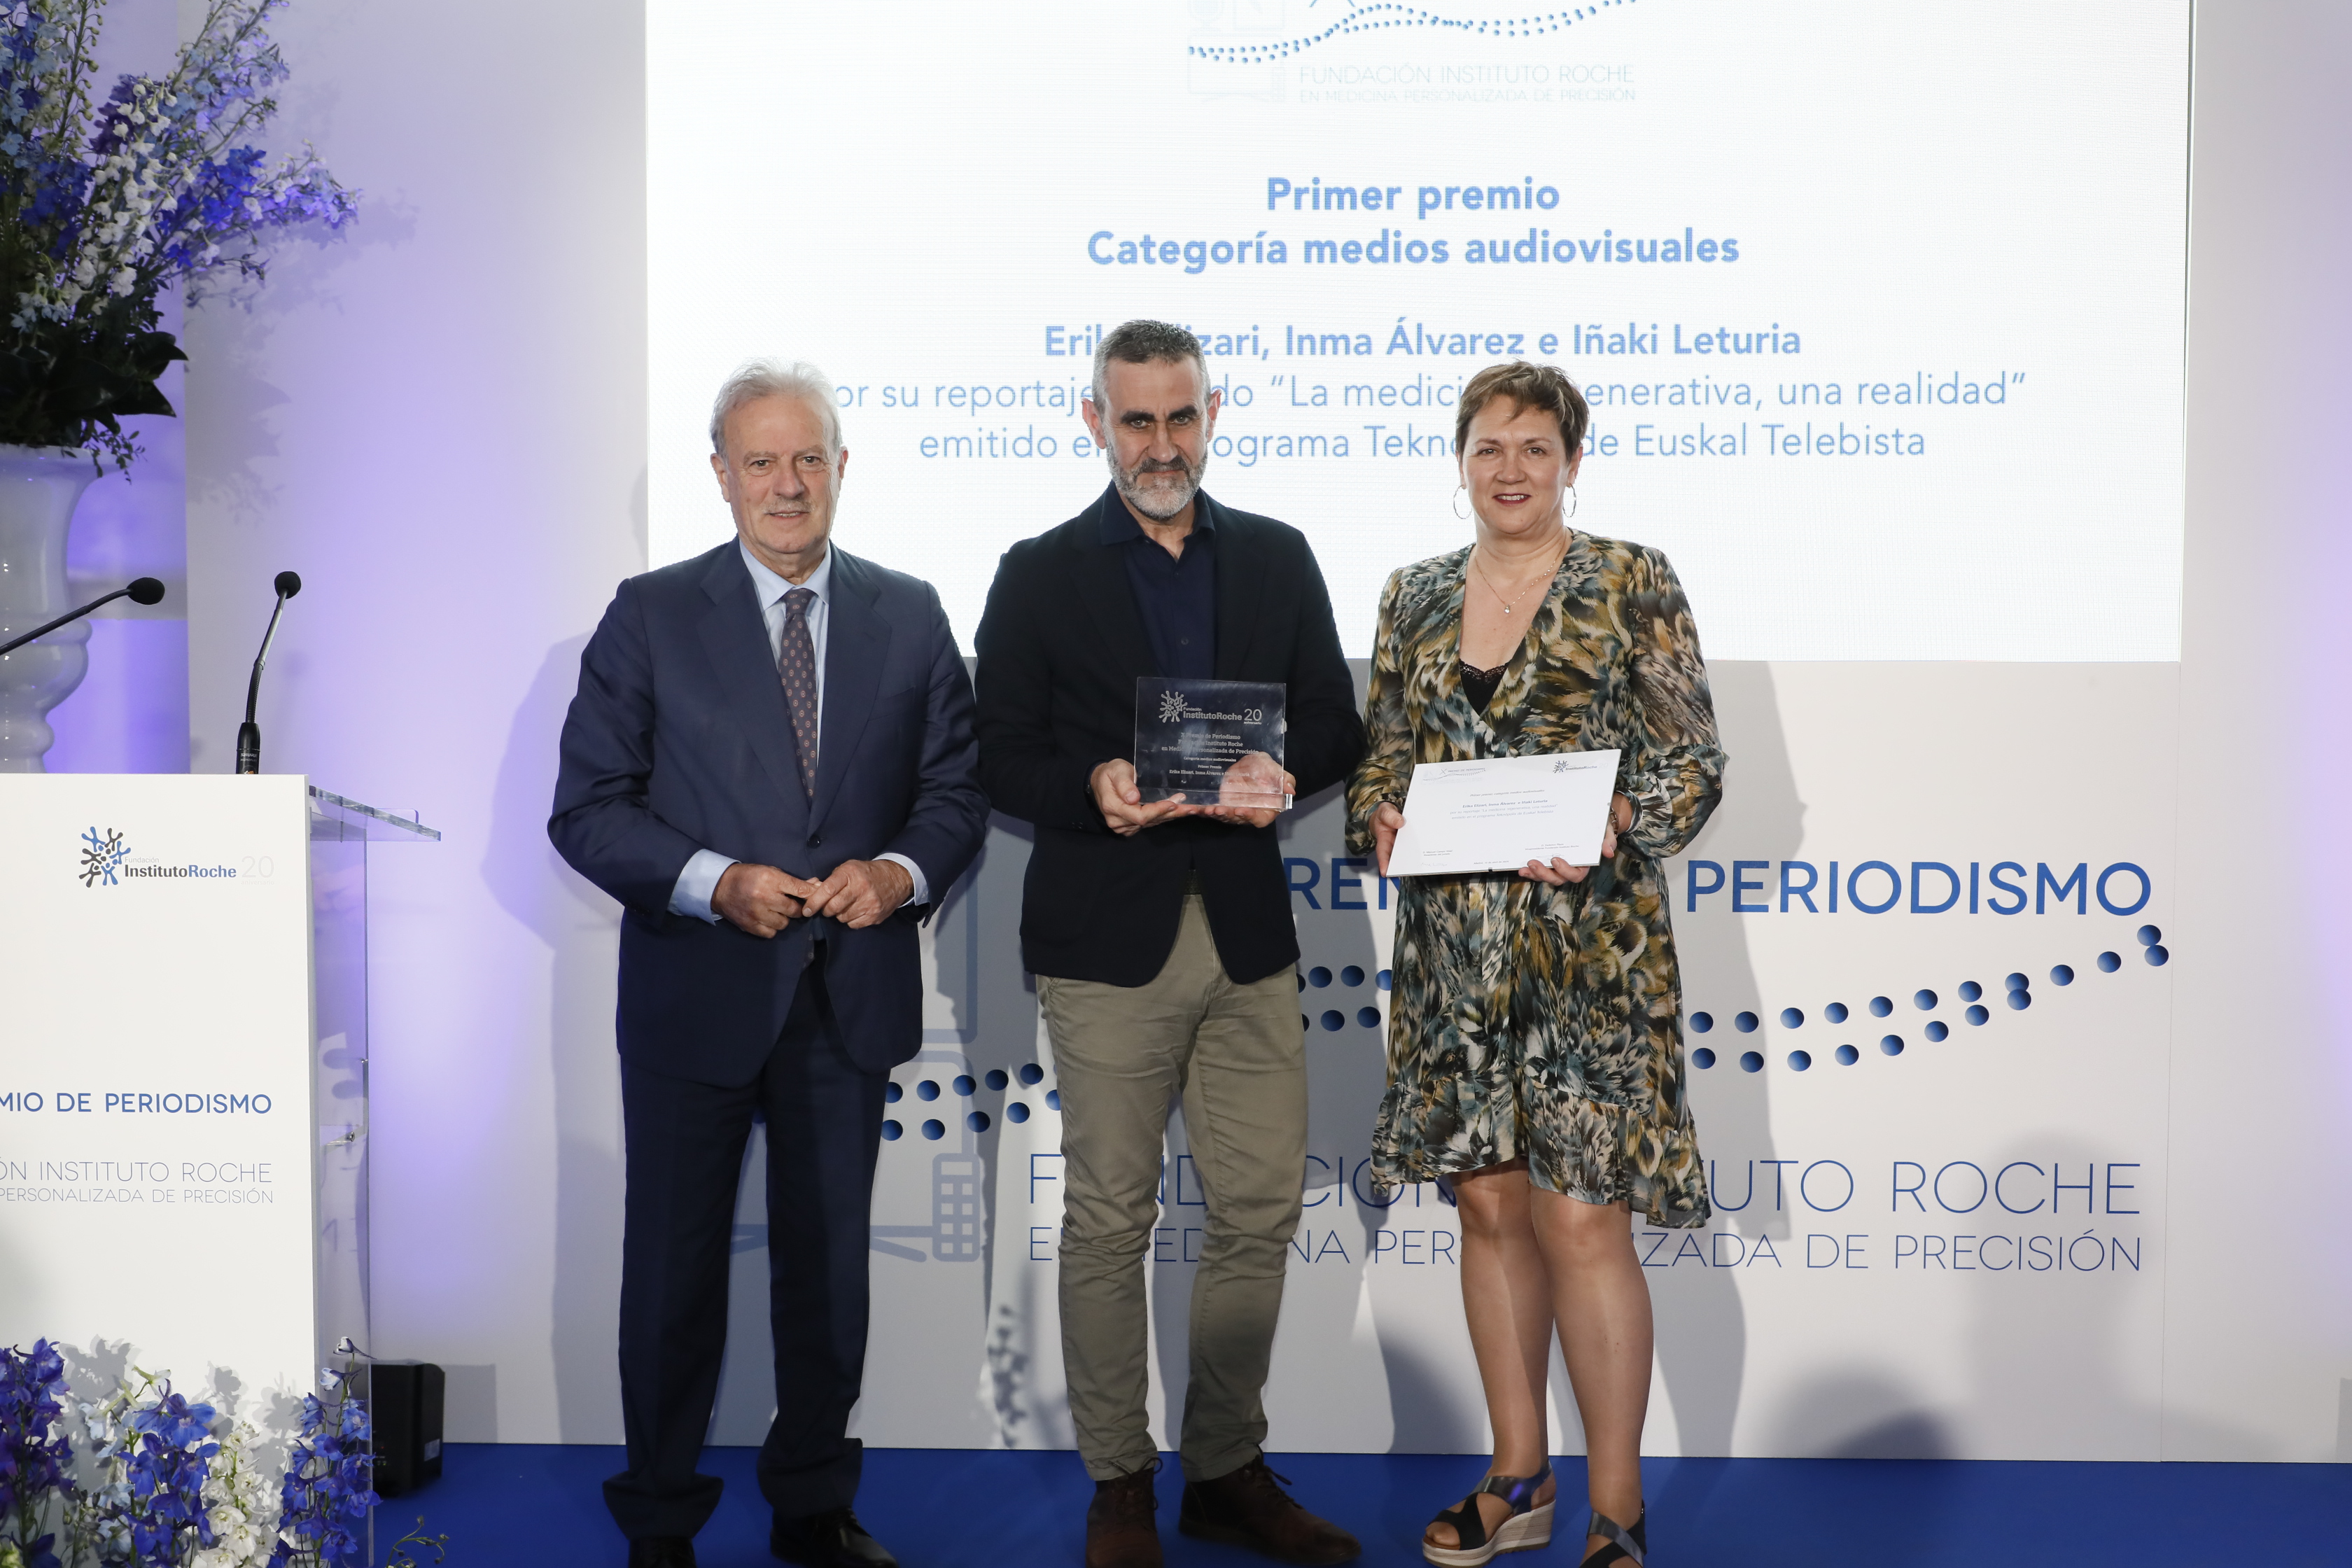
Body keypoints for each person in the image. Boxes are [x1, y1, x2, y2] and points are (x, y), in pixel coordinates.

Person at [550, 359, 988, 1568]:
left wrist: (898, 874)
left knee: (828, 1281)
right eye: (761, 463)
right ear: (721, 477)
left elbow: (955, 793)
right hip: (699, 995)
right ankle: (658, 1519)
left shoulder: (911, 609)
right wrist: (713, 881)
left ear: (842, 468)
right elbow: (589, 809)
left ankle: (811, 1506)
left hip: (846, 997)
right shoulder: (648, 613)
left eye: (808, 460)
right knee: (672, 1276)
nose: (786, 486)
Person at [974, 320, 1365, 1568]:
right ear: (1095, 423)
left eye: (1180, 416)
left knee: (1255, 1212)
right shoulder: (1036, 572)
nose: (1160, 443)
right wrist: (1090, 780)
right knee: (1108, 1221)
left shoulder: (1278, 555)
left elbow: (1340, 729)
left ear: (1212, 415)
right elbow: (994, 753)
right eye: (1135, 420)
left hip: (1248, 933)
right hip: (1105, 938)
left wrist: (1284, 771)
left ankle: (1225, 1466)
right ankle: (1119, 1482)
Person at [1345, 362, 1726, 1568]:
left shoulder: (1629, 580)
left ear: (1572, 459)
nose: (1510, 469)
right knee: (1491, 1207)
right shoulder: (1411, 596)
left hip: (1591, 960)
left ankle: (1618, 1505)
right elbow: (1381, 763)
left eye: (1535, 447)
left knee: (1583, 1222)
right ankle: (1521, 1475)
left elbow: (1692, 760)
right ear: (1459, 460)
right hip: (1456, 962)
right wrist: (1381, 821)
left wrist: (1615, 821)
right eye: (1488, 447)